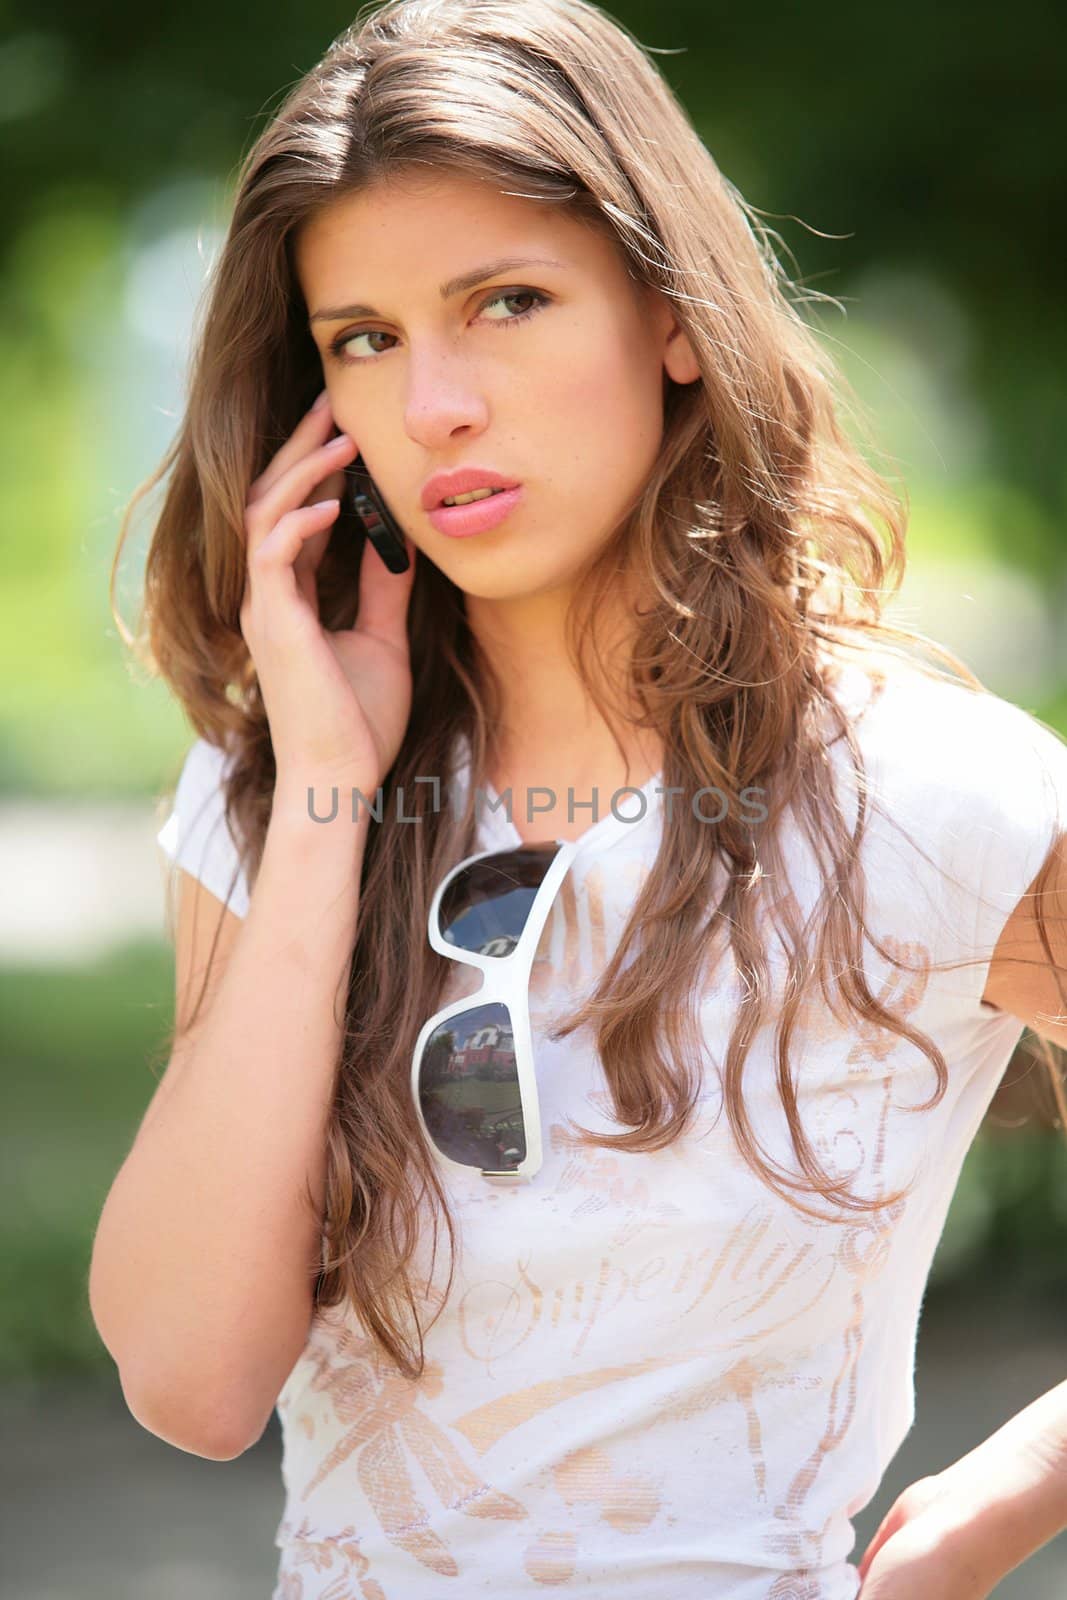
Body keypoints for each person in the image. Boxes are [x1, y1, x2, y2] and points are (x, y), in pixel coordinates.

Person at [90, 2, 1067, 1597]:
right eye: (366, 337)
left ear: (671, 313)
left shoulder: (924, 792)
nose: (437, 408)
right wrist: (331, 801)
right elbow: (193, 1380)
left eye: (509, 303)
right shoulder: (276, 786)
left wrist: (1002, 1500)